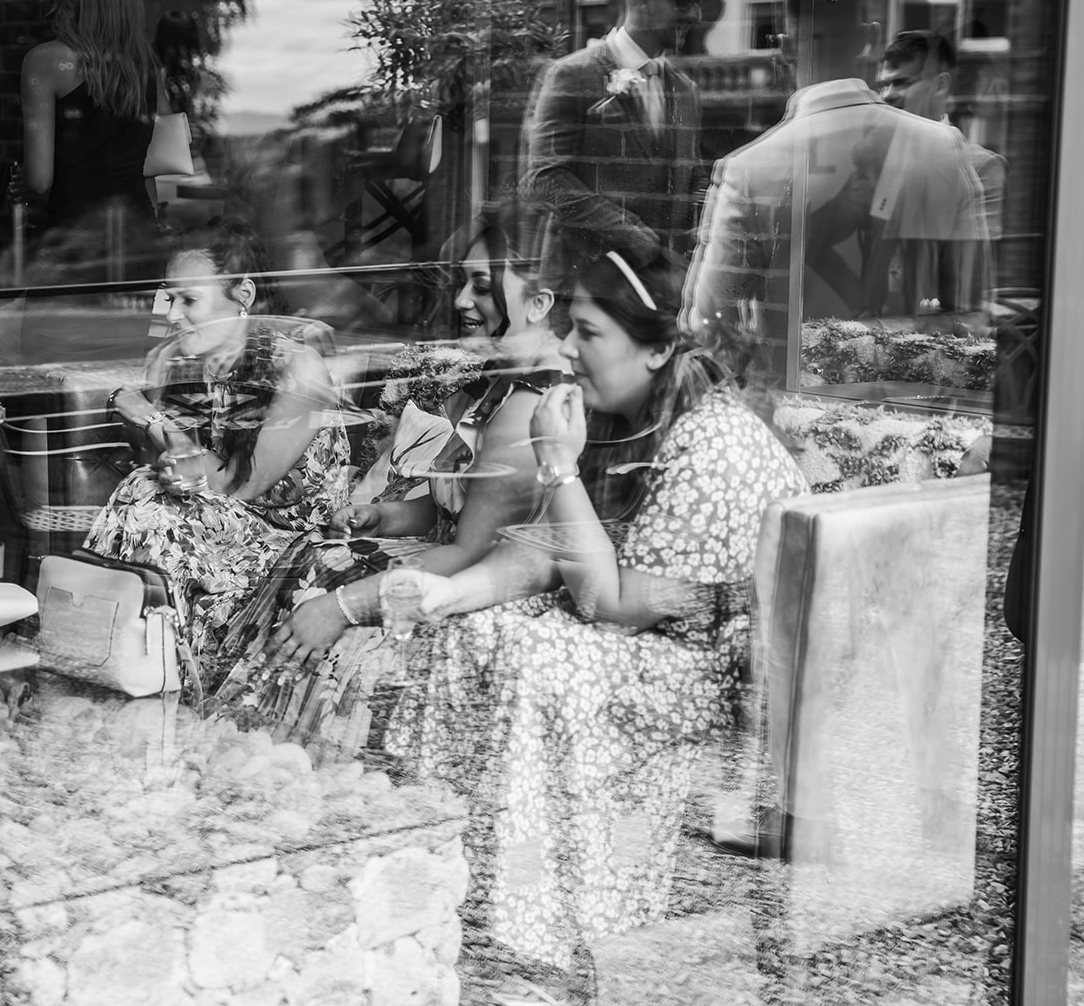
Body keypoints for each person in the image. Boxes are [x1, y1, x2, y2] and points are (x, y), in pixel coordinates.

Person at [275, 240, 805, 994]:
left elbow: (614, 604)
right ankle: (466, 891)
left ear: (655, 349)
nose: (568, 348)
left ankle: (556, 921)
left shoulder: (709, 436)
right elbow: (553, 548)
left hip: (714, 671)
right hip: (661, 636)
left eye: (588, 333)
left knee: (538, 658)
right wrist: (446, 595)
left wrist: (557, 463)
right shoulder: (637, 414)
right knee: (466, 632)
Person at [213, 203, 577, 758]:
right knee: (310, 556)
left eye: (481, 286)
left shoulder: (528, 404)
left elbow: (474, 552)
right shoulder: (502, 383)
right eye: (462, 284)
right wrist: (387, 515)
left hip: (478, 599)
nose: (460, 302)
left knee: (321, 602)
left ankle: (294, 771)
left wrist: (339, 609)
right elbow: (459, 510)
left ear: (539, 303)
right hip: (447, 562)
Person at [682, 0, 987, 398]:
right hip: (918, 411)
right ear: (871, 39)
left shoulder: (749, 167)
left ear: (784, 47)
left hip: (791, 412)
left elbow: (708, 322)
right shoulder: (944, 146)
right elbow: (974, 310)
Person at [86, 217, 351, 674]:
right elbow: (181, 468)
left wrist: (151, 418)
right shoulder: (190, 362)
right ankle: (121, 657)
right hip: (216, 523)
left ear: (243, 296)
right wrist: (164, 447)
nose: (171, 314)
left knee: (148, 499)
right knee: (144, 488)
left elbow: (238, 486)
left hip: (285, 538)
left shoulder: (300, 369)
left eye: (188, 299)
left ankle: (148, 663)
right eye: (169, 298)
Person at [522, 0, 705, 255]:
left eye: (697, 3)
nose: (694, 16)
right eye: (682, 2)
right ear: (642, 0)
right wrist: (629, 236)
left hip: (663, 285)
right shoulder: (570, 74)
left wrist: (708, 220)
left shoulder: (685, 90)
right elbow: (545, 179)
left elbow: (690, 174)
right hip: (588, 283)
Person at [20, 0, 162, 281]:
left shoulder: (45, 62)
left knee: (54, 336)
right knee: (151, 335)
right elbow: (152, 170)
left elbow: (39, 179)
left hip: (75, 252)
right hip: (142, 246)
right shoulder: (146, 68)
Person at [876, 30, 1001, 313]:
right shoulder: (870, 156)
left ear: (940, 85)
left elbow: (969, 289)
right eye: (883, 85)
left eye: (901, 83)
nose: (887, 95)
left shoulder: (983, 166)